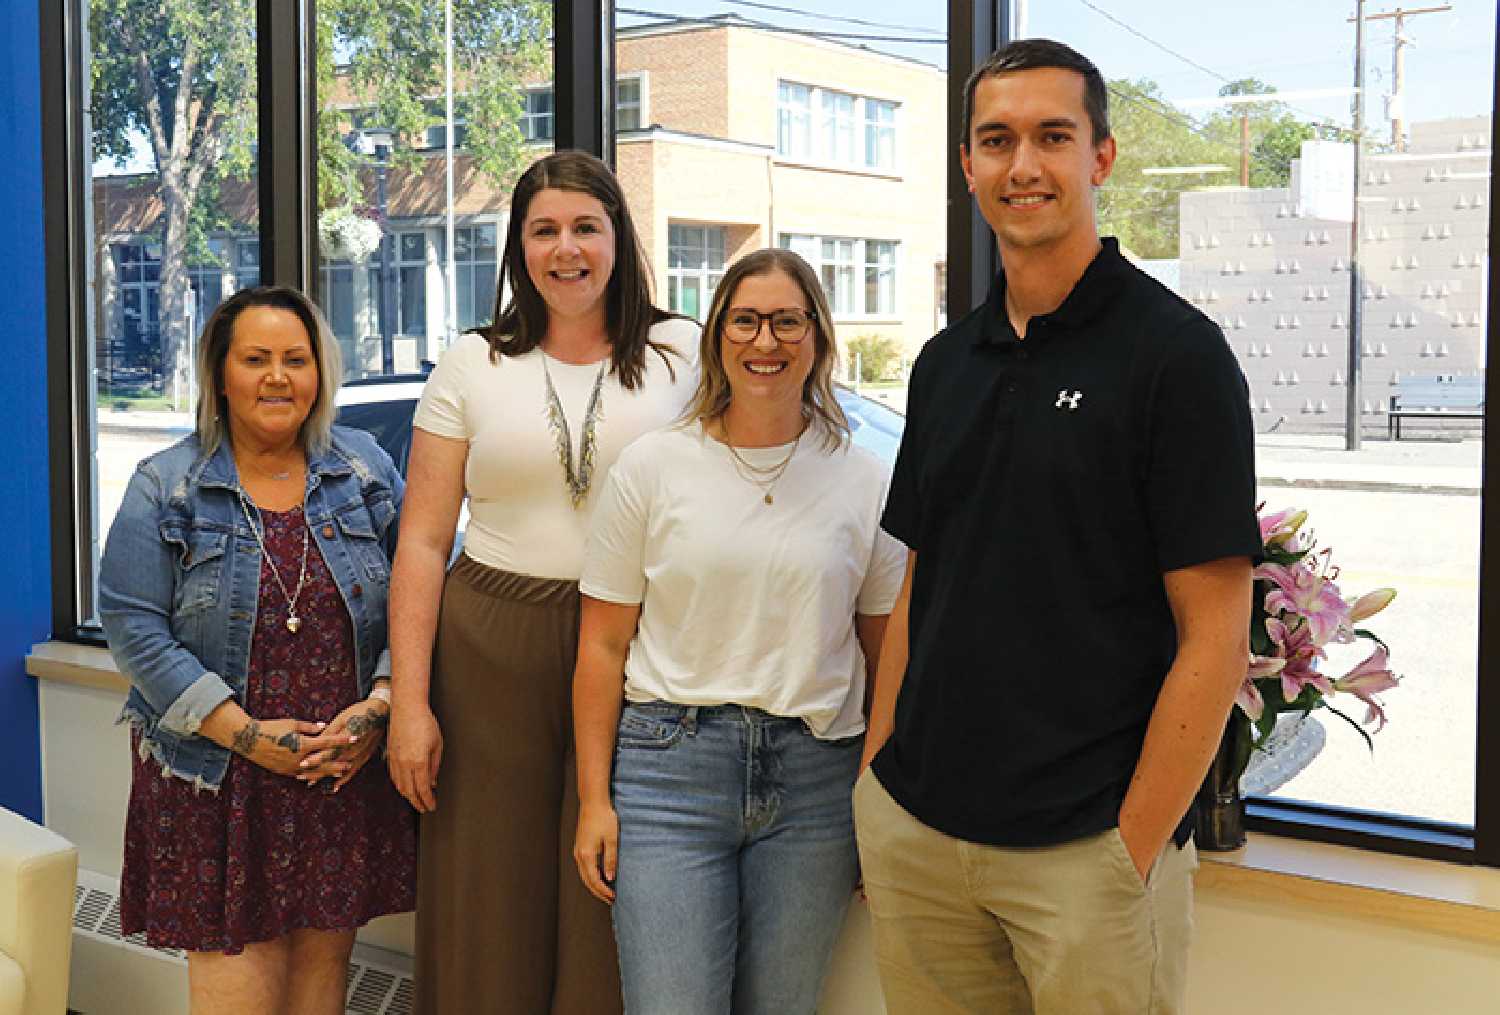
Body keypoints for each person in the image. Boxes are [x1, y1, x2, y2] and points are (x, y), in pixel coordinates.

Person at [853, 39, 1262, 1015]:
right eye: (996, 140)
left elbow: (1217, 633)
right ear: (967, 164)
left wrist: (1127, 850)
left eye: (1052, 136)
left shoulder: (1178, 359)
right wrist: (878, 779)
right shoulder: (946, 363)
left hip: (1087, 856)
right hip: (920, 833)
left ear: (1101, 158)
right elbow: (923, 581)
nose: (1022, 164)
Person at [386, 150, 698, 1014]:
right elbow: (420, 542)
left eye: (586, 227)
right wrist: (409, 704)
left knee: (613, 882)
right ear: (519, 248)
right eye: (545, 229)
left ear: (617, 237)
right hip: (490, 640)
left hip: (638, 643)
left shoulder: (684, 352)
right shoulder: (471, 363)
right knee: (489, 893)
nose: (568, 249)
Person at [572, 247, 906, 1014]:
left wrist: (873, 790)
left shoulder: (864, 479)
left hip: (817, 784)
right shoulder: (654, 466)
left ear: (817, 337)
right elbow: (602, 646)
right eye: (746, 321)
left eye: (788, 321)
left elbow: (889, 655)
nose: (766, 342)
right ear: (718, 335)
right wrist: (595, 799)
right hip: (667, 776)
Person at [98, 285, 413, 1014]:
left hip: (335, 775)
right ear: (220, 374)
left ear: (320, 373)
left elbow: (420, 594)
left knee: (318, 996)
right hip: (219, 782)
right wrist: (245, 734)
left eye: (296, 359)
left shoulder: (361, 470)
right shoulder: (166, 485)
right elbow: (132, 624)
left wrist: (380, 705)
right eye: (256, 358)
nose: (278, 376)